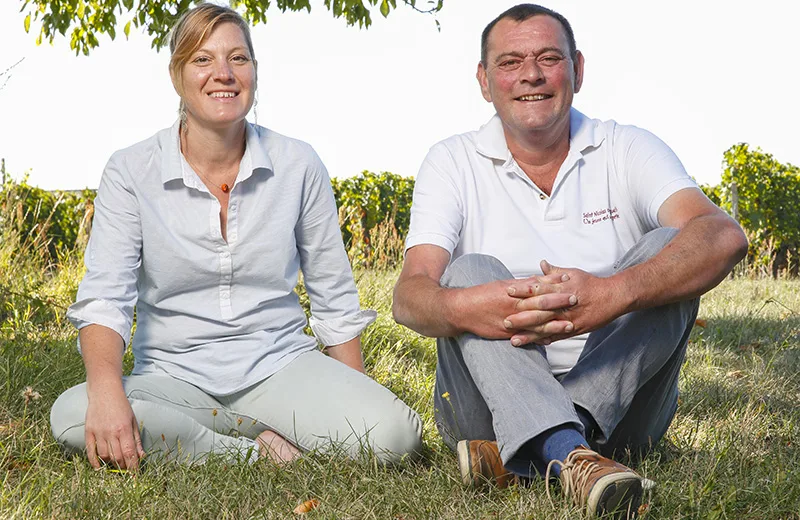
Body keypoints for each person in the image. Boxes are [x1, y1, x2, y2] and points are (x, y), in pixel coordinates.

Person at [392, 3, 747, 518]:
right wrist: (468, 306)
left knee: (672, 251)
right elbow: (410, 296)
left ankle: (527, 451)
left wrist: (611, 294)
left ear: (577, 70)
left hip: (625, 415)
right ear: (484, 80)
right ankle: (570, 454)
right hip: (482, 409)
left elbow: (723, 235)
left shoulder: (626, 146)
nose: (531, 75)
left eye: (548, 58)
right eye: (510, 62)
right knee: (468, 273)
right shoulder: (450, 160)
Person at [50, 3, 422, 471]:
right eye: (202, 60)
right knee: (70, 413)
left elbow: (334, 299)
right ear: (176, 75)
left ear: (254, 72)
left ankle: (221, 429)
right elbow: (106, 299)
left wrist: (353, 408)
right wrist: (106, 395)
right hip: (170, 376)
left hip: (279, 367)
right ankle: (247, 449)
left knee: (395, 436)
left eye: (238, 59)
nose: (222, 73)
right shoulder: (130, 170)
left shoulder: (298, 164)